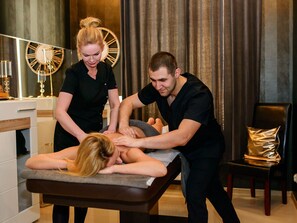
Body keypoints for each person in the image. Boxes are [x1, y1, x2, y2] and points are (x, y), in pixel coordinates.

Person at [114, 52, 240, 223]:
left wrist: (137, 142)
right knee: (213, 189)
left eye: (163, 80)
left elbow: (182, 136)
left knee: (195, 194)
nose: (157, 86)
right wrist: (123, 125)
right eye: (153, 80)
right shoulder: (159, 87)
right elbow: (127, 102)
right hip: (185, 149)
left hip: (207, 149)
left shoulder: (199, 95)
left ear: (177, 72)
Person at [53, 17, 120, 223]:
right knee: (63, 192)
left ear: (103, 48)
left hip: (92, 135)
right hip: (69, 133)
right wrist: (80, 135)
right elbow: (60, 112)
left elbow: (115, 104)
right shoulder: (74, 73)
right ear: (79, 51)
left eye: (96, 54)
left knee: (85, 186)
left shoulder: (107, 70)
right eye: (86, 55)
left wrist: (111, 129)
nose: (91, 60)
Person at [25, 119, 167, 177]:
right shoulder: (89, 147)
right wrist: (71, 163)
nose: (105, 166)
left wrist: (114, 168)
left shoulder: (127, 152)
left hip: (141, 132)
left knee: (156, 128)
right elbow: (32, 162)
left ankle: (155, 121)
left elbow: (160, 169)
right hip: (112, 128)